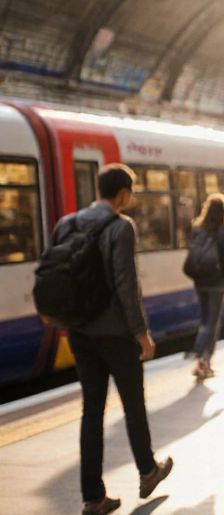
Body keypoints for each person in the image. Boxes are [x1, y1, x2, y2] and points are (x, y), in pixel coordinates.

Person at [48, 164, 172, 515]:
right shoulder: (121, 227)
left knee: (92, 412)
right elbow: (125, 284)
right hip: (116, 334)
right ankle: (148, 472)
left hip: (79, 333)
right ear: (122, 194)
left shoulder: (66, 223)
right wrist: (140, 332)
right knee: (133, 405)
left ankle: (93, 497)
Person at [186, 193, 224, 381]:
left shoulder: (197, 229)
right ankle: (202, 357)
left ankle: (202, 361)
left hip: (200, 282)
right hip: (217, 283)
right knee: (213, 321)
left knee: (204, 320)